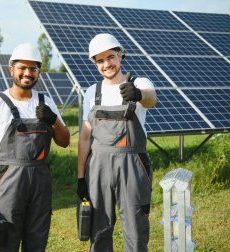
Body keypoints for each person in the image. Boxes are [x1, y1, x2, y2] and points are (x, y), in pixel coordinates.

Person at [0, 43, 70, 251]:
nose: (27, 73)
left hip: (40, 182)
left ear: (39, 72)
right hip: (9, 183)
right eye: (22, 68)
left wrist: (53, 120)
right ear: (12, 69)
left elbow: (64, 141)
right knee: (7, 242)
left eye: (33, 69)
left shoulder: (47, 102)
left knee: (37, 241)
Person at [77, 33, 157, 252]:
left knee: (135, 227)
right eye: (100, 60)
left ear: (120, 54)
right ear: (95, 63)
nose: (107, 64)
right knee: (99, 228)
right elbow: (85, 137)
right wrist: (81, 176)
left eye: (110, 57)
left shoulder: (139, 82)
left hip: (132, 165)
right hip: (98, 167)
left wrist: (139, 94)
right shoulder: (92, 92)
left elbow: (152, 99)